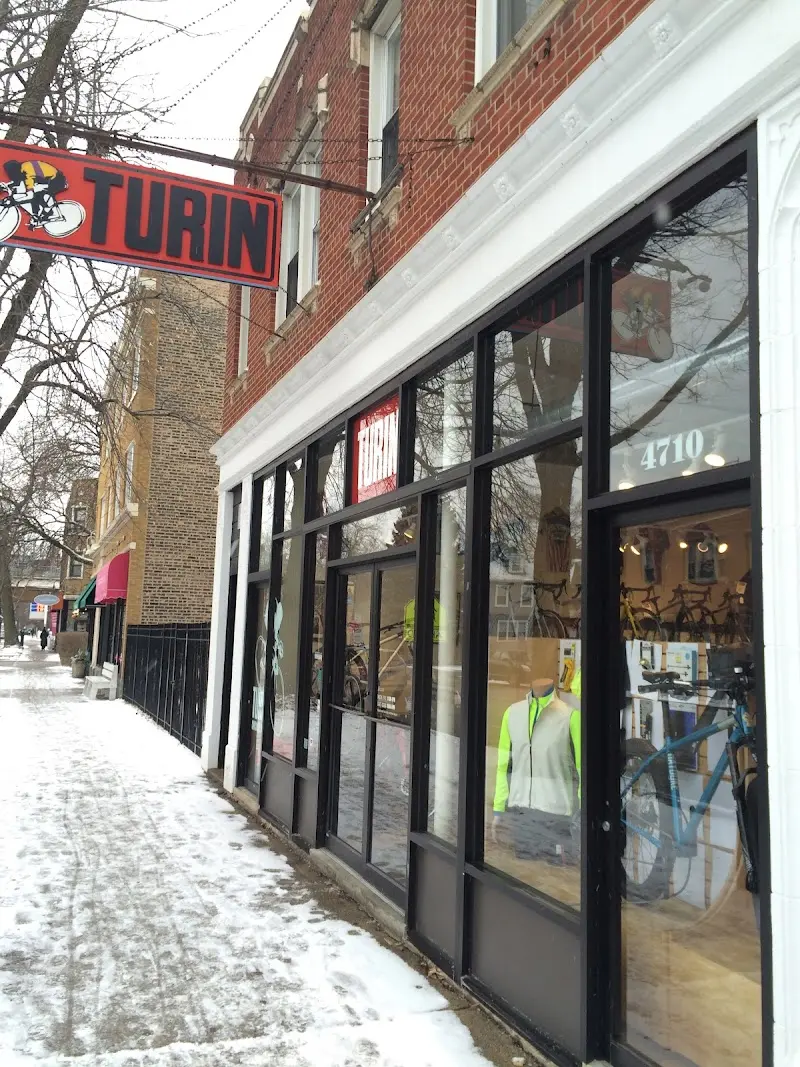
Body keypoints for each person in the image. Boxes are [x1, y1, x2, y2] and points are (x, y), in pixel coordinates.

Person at [2, 159, 69, 229]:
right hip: (48, 180)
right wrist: (6, 185)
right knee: (36, 194)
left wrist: (26, 193)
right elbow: (18, 182)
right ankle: (36, 215)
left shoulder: (26, 169)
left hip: (57, 180)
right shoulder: (23, 168)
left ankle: (47, 213)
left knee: (38, 194)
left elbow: (28, 182)